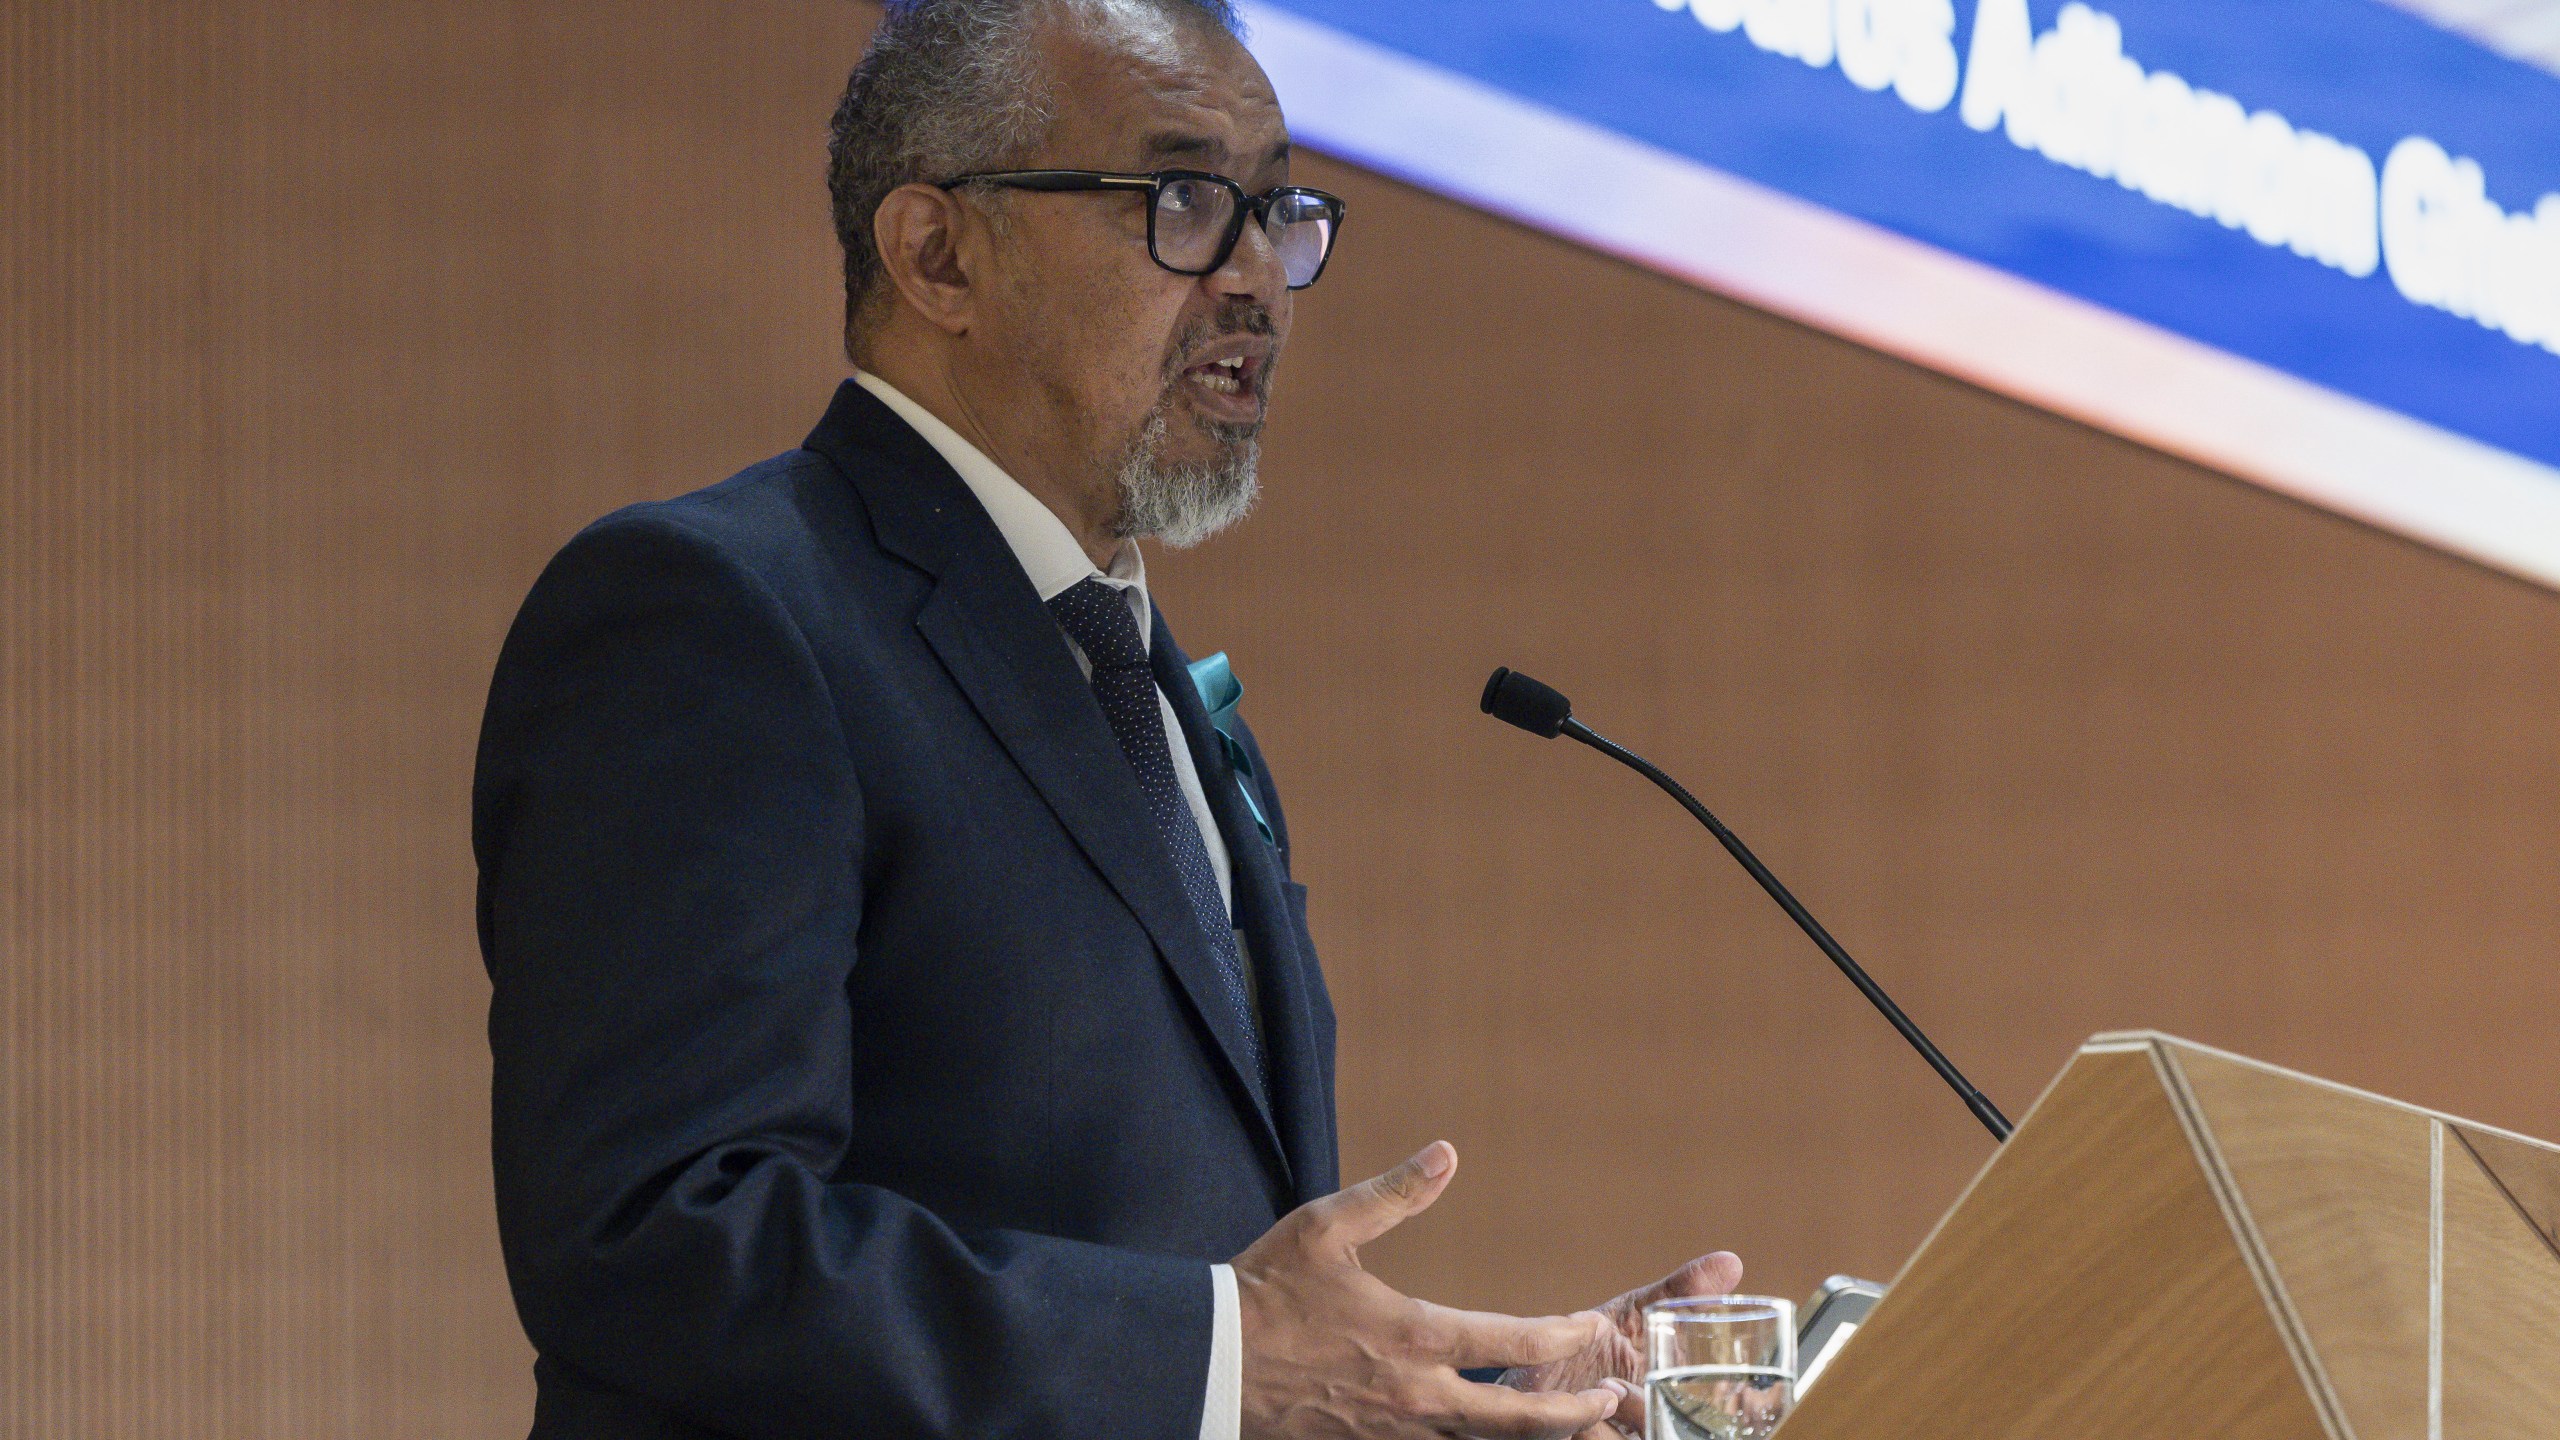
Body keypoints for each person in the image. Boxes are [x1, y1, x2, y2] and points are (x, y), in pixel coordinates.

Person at [471, 1, 1743, 1435]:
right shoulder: (719, 615)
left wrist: (1480, 1393)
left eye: (1277, 212)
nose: (1257, 279)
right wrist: (1227, 1362)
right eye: (1185, 202)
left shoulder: (1145, 686)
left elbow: (1207, 1295)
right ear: (939, 255)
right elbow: (657, 1241)